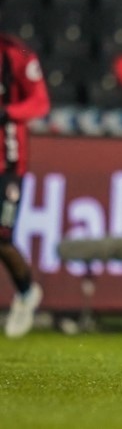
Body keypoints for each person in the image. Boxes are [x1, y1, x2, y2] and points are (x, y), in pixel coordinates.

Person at [0, 33, 50, 338]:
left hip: (7, 164)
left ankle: (27, 292)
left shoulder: (15, 55)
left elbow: (40, 103)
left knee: (2, 237)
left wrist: (7, 113)